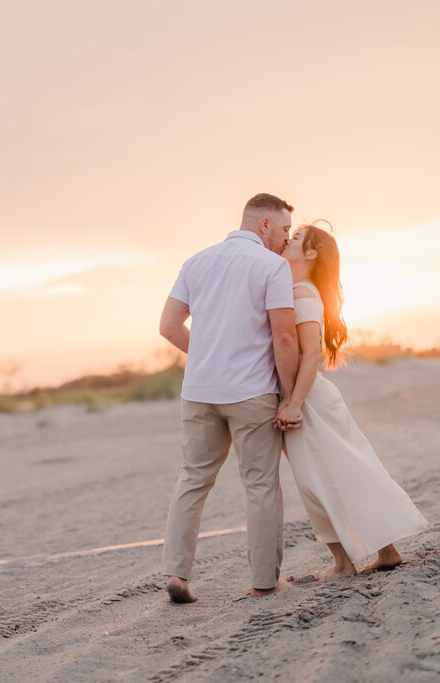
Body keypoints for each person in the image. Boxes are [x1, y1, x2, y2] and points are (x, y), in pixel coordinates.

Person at [159, 193, 301, 602]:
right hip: (251, 391)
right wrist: (288, 396)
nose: (284, 238)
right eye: (285, 229)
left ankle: (177, 574)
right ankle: (264, 581)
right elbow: (285, 335)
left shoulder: (196, 261)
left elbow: (168, 327)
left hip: (199, 391)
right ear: (264, 225)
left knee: (192, 478)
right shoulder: (272, 266)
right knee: (259, 484)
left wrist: (208, 354)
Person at [276, 222, 427, 578]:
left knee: (323, 478)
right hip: (310, 397)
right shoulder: (298, 289)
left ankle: (345, 563)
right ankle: (382, 552)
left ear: (311, 253)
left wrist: (295, 402)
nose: (288, 241)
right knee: (336, 473)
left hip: (309, 399)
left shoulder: (302, 293)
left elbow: (311, 353)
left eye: (296, 238)